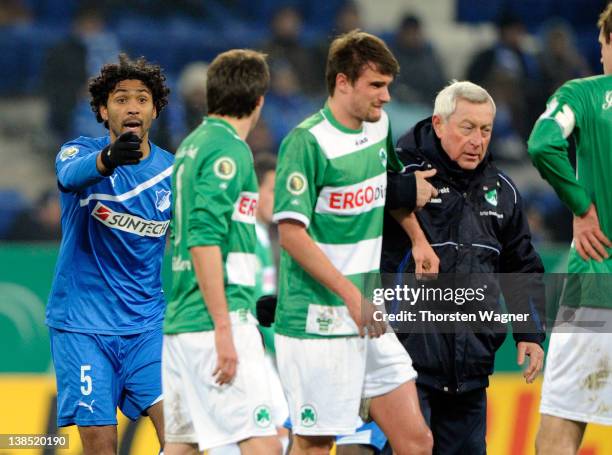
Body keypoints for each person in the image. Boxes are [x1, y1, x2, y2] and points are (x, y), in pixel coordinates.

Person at [272, 29, 435, 455]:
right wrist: (350, 296)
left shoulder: (377, 127)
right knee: (315, 443)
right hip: (316, 322)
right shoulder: (306, 143)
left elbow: (386, 186)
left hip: (366, 314)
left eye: (388, 86)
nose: (386, 98)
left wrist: (418, 238)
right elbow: (290, 235)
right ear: (343, 82)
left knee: (416, 441)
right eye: (376, 86)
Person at [381, 80, 546, 454]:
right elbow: (352, 204)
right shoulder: (398, 174)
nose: (478, 140)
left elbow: (520, 265)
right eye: (467, 128)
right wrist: (402, 191)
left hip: (471, 371)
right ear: (439, 125)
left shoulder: (503, 191)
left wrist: (530, 334)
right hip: (405, 366)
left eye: (486, 129)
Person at [46, 53, 172, 455]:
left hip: (147, 327)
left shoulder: (174, 172)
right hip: (83, 328)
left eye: (141, 98)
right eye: (120, 99)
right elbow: (69, 177)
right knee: (101, 446)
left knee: (183, 434)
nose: (132, 106)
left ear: (155, 109)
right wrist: (108, 160)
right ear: (103, 110)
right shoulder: (78, 152)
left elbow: (193, 244)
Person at [163, 49, 281, 455]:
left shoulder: (191, 146)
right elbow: (203, 238)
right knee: (264, 441)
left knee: (184, 446)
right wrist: (225, 329)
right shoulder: (228, 151)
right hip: (216, 318)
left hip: (182, 321)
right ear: (259, 100)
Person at [528, 4, 612, 454]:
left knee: (564, 419)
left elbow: (542, 142)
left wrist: (582, 206)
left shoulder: (582, 94)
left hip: (596, 281)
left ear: (607, 41)